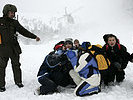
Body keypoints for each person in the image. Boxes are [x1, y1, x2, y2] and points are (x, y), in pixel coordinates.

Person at [0, 4, 40, 92]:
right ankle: (1, 85)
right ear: (6, 12)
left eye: (14, 13)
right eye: (11, 12)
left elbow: (23, 31)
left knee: (16, 66)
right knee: (1, 67)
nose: (13, 14)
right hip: (3, 49)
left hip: (14, 48)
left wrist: (34, 37)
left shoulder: (15, 23)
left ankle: (18, 82)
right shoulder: (0, 21)